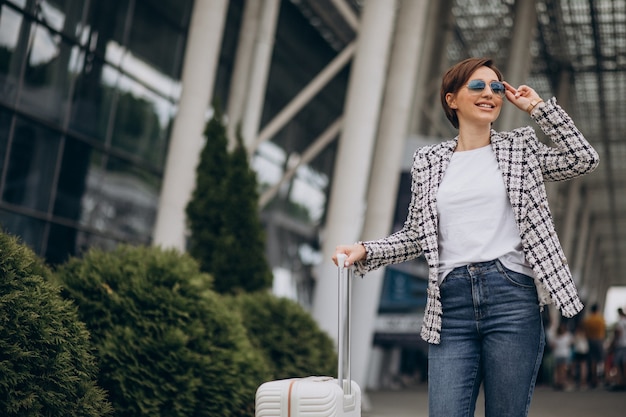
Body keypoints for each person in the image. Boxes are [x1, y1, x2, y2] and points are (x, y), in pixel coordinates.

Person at [332, 57, 599, 417]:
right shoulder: (428, 161)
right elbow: (415, 236)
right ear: (451, 99)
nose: (489, 93)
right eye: (477, 86)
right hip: (450, 304)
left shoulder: (520, 149)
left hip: (512, 298)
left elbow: (582, 159)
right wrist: (365, 249)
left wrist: (536, 108)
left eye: (496, 87)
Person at [583, 303, 606, 387]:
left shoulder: (588, 320)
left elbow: (585, 331)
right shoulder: (600, 319)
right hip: (599, 340)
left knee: (592, 360)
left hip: (590, 340)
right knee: (600, 359)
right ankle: (600, 378)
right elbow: (604, 329)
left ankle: (593, 378)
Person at [612, 307, 626, 388]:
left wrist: (613, 343)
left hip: (620, 345)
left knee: (618, 364)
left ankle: (620, 381)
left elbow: (619, 334)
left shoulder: (620, 322)